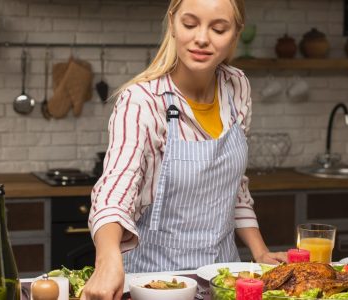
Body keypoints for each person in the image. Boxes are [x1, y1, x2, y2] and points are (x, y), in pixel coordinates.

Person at [82, 0, 287, 299]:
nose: (202, 38)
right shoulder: (142, 101)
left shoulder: (237, 86)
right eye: (190, 24)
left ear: (235, 33)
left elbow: (234, 186)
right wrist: (107, 259)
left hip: (224, 279)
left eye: (218, 28)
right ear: (173, 23)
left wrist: (260, 252)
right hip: (155, 283)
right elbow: (115, 188)